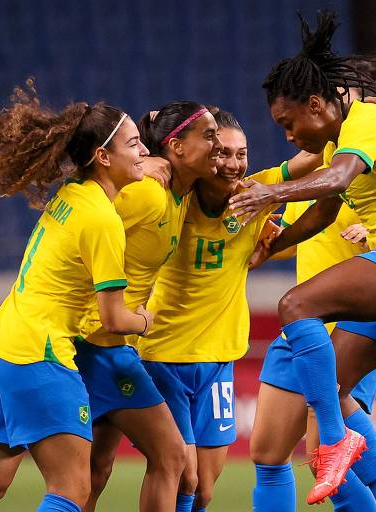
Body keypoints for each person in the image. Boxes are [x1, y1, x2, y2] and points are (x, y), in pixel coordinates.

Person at [229, 11, 376, 507]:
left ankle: (337, 444)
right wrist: (278, 239)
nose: (289, 136)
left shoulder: (368, 123)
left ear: (317, 103)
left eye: (289, 123)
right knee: (326, 394)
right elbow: (323, 211)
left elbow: (334, 181)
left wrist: (269, 195)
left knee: (295, 306)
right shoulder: (339, 142)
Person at [0, 80, 152, 512]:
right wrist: (145, 320)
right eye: (135, 144)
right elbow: (114, 318)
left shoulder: (72, 194)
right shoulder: (103, 220)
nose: (144, 153)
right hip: (36, 353)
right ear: (103, 156)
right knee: (71, 490)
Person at [139, 108, 322, 512]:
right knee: (179, 476)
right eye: (221, 152)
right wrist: (147, 160)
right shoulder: (173, 196)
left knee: (204, 488)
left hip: (219, 360)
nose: (233, 163)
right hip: (163, 355)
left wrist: (353, 124)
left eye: (242, 153)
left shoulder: (255, 194)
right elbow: (126, 167)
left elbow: (317, 157)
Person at [76, 101, 222, 512]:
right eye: (208, 136)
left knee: (97, 469)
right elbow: (84, 223)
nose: (218, 145)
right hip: (94, 341)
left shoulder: (179, 195)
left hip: (110, 342)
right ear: (176, 147)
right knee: (173, 458)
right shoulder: (145, 195)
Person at [257, 196, 376, 511]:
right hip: (297, 333)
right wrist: (260, 235)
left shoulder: (373, 180)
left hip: (347, 335)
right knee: (267, 455)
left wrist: (373, 236)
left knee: (322, 461)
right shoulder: (309, 183)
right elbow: (291, 243)